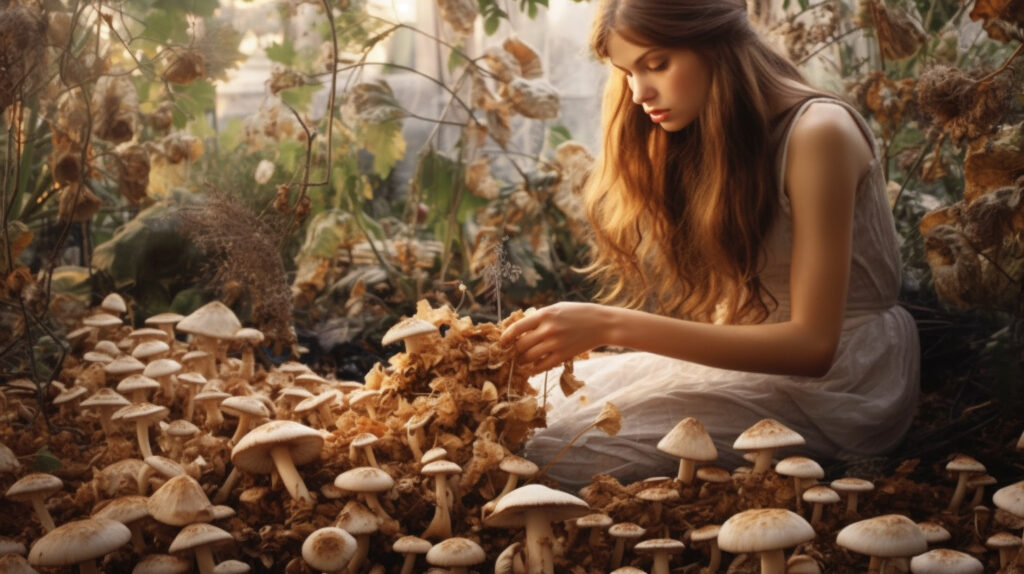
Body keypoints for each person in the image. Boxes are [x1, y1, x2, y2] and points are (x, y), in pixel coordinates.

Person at [499, 0, 920, 489]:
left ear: (717, 42)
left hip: (842, 387)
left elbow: (812, 347)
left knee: (542, 453)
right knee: (525, 404)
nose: (638, 93)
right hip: (744, 362)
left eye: (656, 64)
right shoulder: (713, 131)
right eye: (627, 72)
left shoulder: (817, 133)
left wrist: (608, 324)